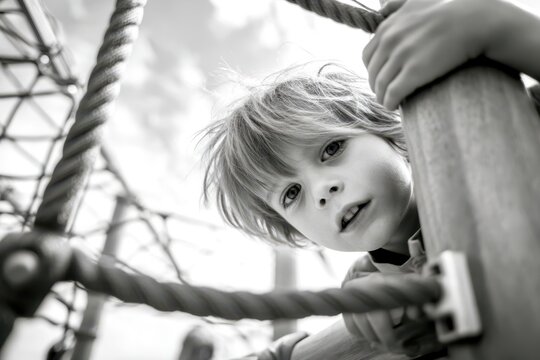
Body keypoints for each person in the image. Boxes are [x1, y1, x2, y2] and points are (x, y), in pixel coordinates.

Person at [200, 0, 540, 358]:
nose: (322, 190)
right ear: (294, 230)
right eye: (291, 193)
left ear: (387, 132)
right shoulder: (365, 290)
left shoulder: (507, 128)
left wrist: (503, 29)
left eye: (332, 149)